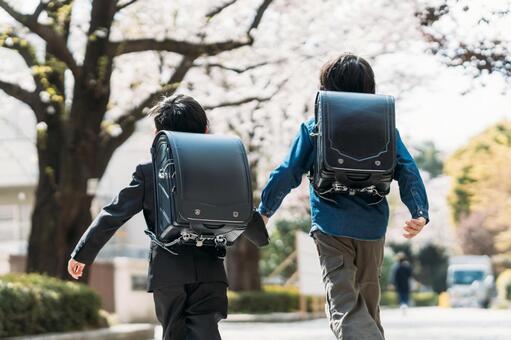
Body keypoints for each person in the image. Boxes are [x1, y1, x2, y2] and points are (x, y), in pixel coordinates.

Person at [258, 53, 429, 340]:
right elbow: (407, 168)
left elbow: (287, 171)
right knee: (368, 306)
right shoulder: (385, 131)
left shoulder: (315, 129)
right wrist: (419, 212)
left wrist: (264, 210)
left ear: (326, 88)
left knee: (344, 303)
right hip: (372, 227)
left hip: (331, 224)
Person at [68, 95, 228, 340]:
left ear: (158, 135)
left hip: (169, 271)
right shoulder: (219, 167)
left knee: (173, 333)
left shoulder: (150, 172)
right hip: (210, 268)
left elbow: (114, 213)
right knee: (207, 333)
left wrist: (82, 253)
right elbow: (240, 210)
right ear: (205, 130)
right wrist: (261, 233)